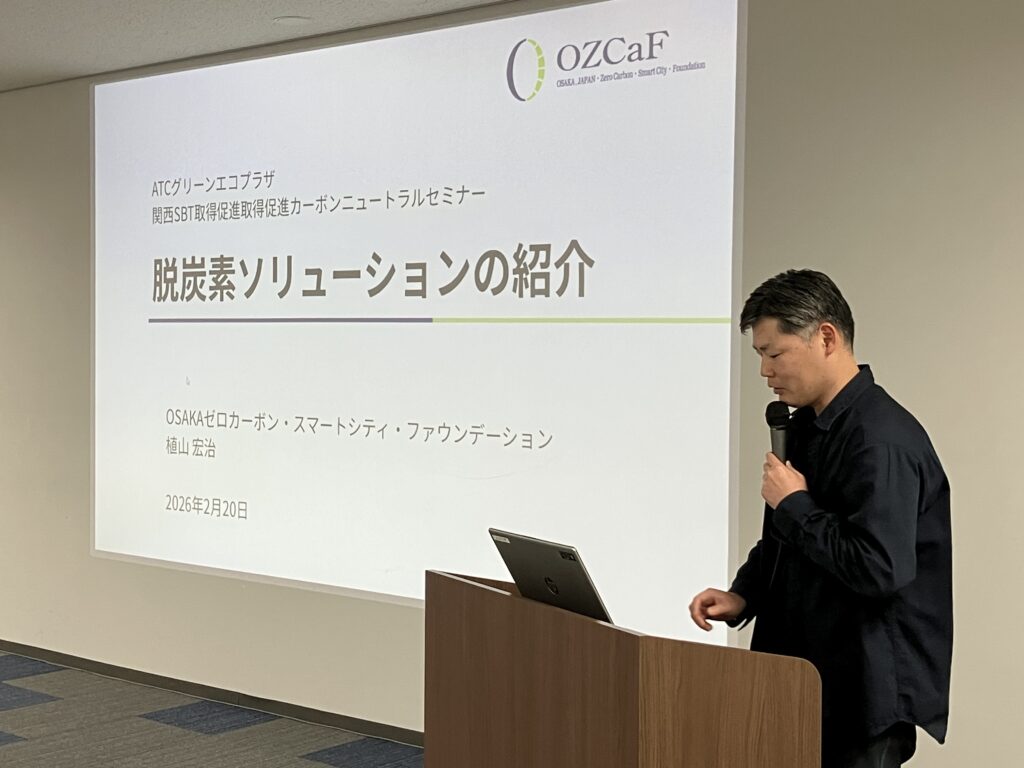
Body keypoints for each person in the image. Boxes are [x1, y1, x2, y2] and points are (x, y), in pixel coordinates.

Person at [688, 270, 952, 768]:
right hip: (803, 683)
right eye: (760, 356)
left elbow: (879, 568)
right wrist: (745, 594)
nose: (764, 371)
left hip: (860, 698)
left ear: (826, 338)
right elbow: (787, 539)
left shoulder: (880, 439)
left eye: (774, 354)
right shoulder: (809, 426)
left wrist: (796, 505)